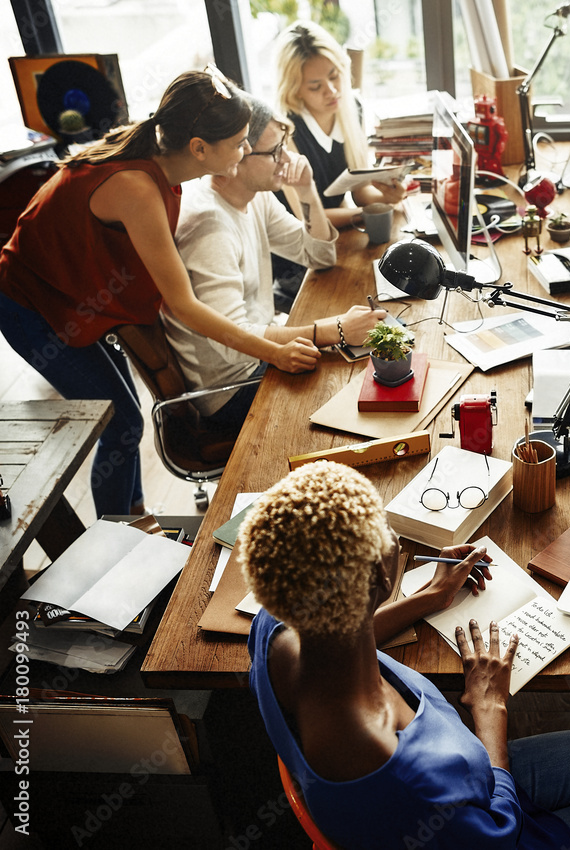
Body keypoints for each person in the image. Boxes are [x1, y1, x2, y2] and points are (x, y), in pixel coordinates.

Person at [241, 462, 570, 850]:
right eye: (386, 532)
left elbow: (341, 630)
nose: (394, 539)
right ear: (378, 580)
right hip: (488, 817)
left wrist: (428, 599)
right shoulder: (402, 772)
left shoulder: (275, 626)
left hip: (456, 788)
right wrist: (489, 705)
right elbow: (498, 834)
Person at [0, 67, 320, 517]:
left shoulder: (158, 158)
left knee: (124, 412)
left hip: (75, 288)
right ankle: (119, 531)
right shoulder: (136, 188)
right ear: (199, 148)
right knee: (124, 422)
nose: (248, 150)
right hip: (28, 301)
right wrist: (272, 351)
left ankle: (135, 518)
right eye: (240, 142)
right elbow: (184, 305)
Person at [164, 95, 386, 428]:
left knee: (375, 377)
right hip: (233, 388)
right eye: (273, 153)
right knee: (364, 396)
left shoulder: (256, 198)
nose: (287, 159)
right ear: (236, 155)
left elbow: (319, 256)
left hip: (262, 358)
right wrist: (335, 330)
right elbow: (236, 343)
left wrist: (307, 191)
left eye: (284, 146)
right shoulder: (209, 228)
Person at [271, 20, 409, 309]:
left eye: (335, 77)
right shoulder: (283, 130)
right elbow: (307, 222)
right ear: (295, 89)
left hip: (338, 239)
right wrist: (366, 213)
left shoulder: (351, 107)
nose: (332, 91)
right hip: (299, 261)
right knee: (372, 300)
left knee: (397, 287)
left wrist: (386, 196)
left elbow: (361, 192)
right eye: (315, 86)